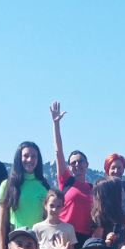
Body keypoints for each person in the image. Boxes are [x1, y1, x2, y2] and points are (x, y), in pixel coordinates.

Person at [50, 101, 97, 241]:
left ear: (87, 164)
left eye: (80, 161)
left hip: (85, 237)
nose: (77, 164)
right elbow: (58, 152)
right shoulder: (66, 181)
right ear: (69, 167)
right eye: (73, 163)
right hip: (64, 234)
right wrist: (56, 124)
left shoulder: (93, 189)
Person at [0, 141, 50, 249]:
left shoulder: (44, 186)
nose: (30, 159)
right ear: (19, 158)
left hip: (39, 244)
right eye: (26, 156)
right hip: (16, 243)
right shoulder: (7, 185)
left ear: (38, 159)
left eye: (33, 156)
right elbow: (1, 223)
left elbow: (48, 219)